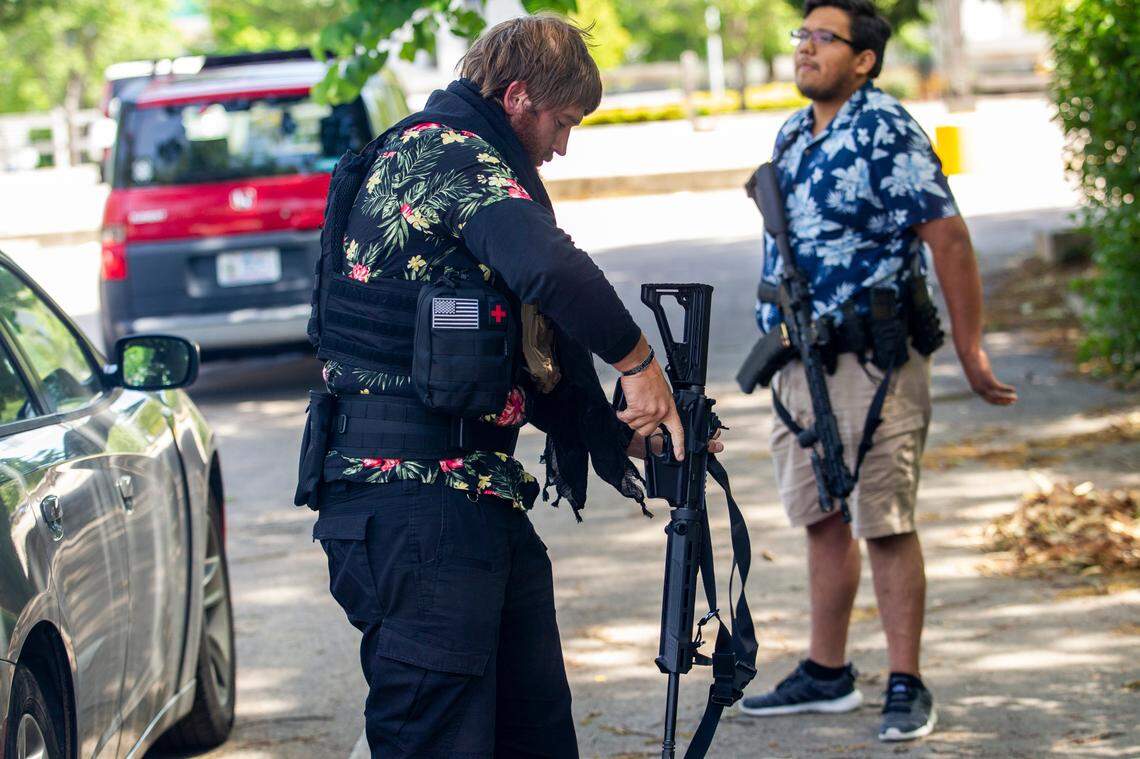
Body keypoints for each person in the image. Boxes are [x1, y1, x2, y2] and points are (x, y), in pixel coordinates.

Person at [303, 15, 704, 758]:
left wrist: (631, 430)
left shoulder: (466, 156)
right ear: (517, 97)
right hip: (414, 503)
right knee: (437, 737)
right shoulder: (445, 154)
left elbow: (521, 354)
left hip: (470, 495)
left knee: (535, 729)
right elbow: (552, 269)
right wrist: (639, 364)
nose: (563, 144)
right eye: (562, 121)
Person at [738, 0, 1017, 743]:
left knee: (884, 519)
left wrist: (971, 346)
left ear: (863, 59)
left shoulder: (888, 130)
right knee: (821, 516)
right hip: (800, 359)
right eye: (802, 35)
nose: (805, 48)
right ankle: (827, 672)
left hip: (873, 360)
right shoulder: (793, 132)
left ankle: (906, 680)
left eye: (823, 38)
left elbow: (949, 238)